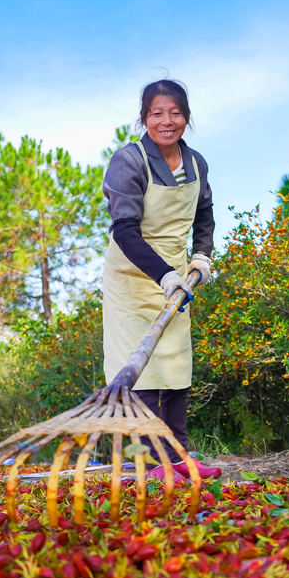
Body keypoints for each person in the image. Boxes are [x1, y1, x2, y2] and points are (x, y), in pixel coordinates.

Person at [102, 79, 221, 481]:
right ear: (145, 117)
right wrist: (164, 275)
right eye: (157, 113)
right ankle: (149, 465)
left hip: (178, 277)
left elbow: (204, 217)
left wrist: (200, 257)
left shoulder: (196, 163)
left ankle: (180, 459)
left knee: (175, 367)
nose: (166, 121)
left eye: (175, 112)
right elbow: (124, 229)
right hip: (134, 276)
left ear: (186, 117)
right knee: (144, 372)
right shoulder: (129, 160)